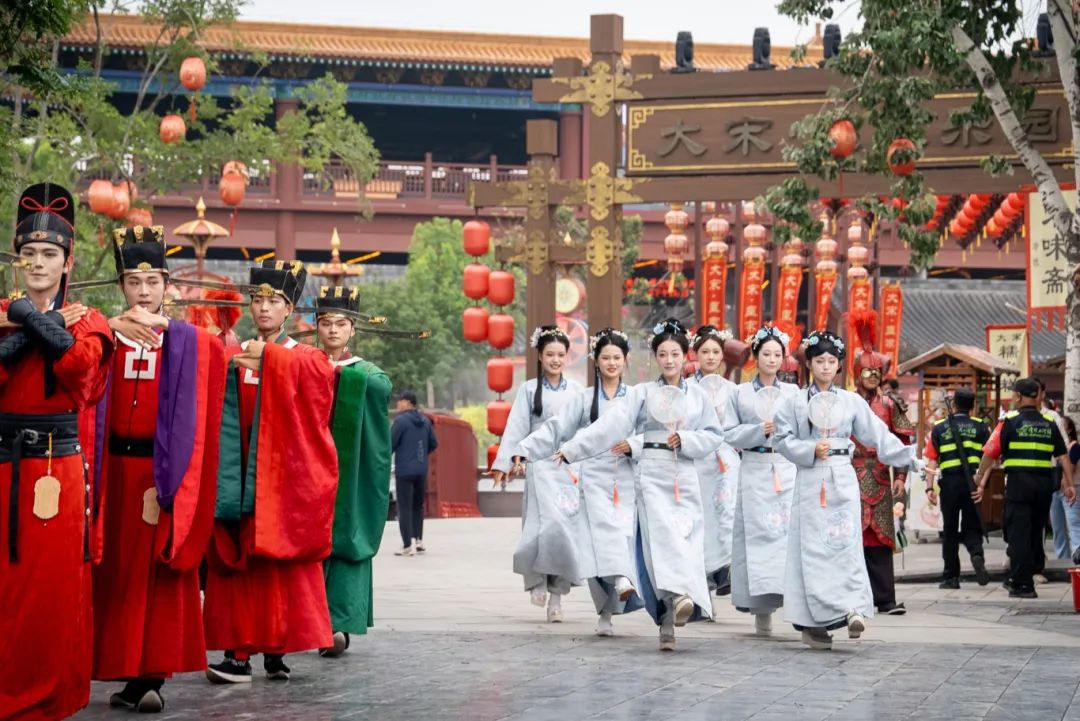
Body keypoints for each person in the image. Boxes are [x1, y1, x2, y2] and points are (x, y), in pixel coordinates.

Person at [90, 227, 227, 713]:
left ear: (168, 285)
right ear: (121, 286)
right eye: (133, 282)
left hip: (161, 473)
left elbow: (217, 359)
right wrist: (109, 327)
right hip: (112, 472)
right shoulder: (106, 334)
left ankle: (150, 675)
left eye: (152, 282)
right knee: (116, 571)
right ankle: (125, 668)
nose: (144, 292)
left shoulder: (184, 340)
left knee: (156, 573)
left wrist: (174, 330)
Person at [0, 182, 113, 720]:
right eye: (30, 254)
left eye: (49, 254)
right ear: (18, 262)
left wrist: (28, 319)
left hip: (55, 468)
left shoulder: (90, 319)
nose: (39, 263)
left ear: (68, 263)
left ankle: (48, 697)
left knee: (50, 588)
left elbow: (78, 369)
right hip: (4, 464)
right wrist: (33, 321)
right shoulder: (5, 311)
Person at [203, 260, 339, 683]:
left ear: (289, 309)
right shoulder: (234, 352)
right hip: (240, 476)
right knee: (242, 566)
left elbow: (322, 385)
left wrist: (272, 358)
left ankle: (275, 649)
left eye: (274, 301)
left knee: (278, 567)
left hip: (280, 481)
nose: (264, 308)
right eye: (257, 300)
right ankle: (239, 653)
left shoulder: (306, 356)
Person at [556, 318, 723, 652]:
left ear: (685, 356)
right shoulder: (643, 393)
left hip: (685, 476)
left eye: (675, 354)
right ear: (654, 357)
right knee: (659, 546)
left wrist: (687, 439)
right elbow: (611, 425)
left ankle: (682, 598)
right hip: (652, 477)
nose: (670, 360)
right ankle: (669, 615)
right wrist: (573, 448)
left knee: (685, 541)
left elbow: (713, 434)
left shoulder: (698, 396)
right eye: (663, 354)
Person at [773, 330, 920, 650]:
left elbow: (879, 436)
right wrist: (809, 450)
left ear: (839, 365)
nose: (826, 367)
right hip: (811, 480)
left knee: (847, 543)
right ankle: (815, 620)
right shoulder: (794, 401)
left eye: (831, 361)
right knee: (813, 549)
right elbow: (781, 439)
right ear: (809, 364)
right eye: (819, 361)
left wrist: (910, 459)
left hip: (843, 476)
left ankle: (851, 607)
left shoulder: (851, 402)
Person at [515, 328, 640, 637]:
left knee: (622, 534)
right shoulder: (585, 399)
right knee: (599, 543)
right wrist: (525, 448)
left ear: (626, 360)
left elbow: (649, 432)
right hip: (593, 477)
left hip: (625, 475)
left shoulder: (637, 397)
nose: (612, 363)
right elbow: (556, 427)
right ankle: (608, 607)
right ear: (596, 361)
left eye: (617, 358)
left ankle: (621, 583)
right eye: (605, 358)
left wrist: (634, 445)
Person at [316, 286, 392, 657]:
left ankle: (340, 623)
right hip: (312, 467)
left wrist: (339, 376)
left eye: (341, 323)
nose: (333, 330)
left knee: (346, 536)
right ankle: (308, 620)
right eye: (326, 323)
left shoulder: (365, 371)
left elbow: (382, 387)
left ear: (353, 329)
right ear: (316, 327)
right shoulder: (304, 362)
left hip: (350, 471)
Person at [492, 325, 585, 622]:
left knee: (564, 532)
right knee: (538, 529)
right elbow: (517, 427)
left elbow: (585, 430)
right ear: (540, 357)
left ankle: (557, 598)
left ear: (567, 356)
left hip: (567, 467)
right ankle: (537, 582)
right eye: (550, 354)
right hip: (539, 466)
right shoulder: (529, 390)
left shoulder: (577, 391)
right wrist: (506, 462)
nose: (556, 360)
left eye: (560, 354)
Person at [722, 324, 798, 636]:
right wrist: (758, 431)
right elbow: (728, 433)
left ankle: (794, 601)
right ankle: (761, 609)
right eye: (766, 353)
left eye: (777, 354)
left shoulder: (793, 393)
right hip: (754, 467)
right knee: (758, 539)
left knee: (787, 536)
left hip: (785, 466)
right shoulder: (739, 393)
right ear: (756, 355)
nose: (772, 359)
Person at [972, 378, 1076, 598]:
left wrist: (979, 476)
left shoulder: (1009, 422)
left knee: (1018, 534)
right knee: (1034, 533)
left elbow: (990, 452)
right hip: (1044, 487)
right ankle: (1020, 577)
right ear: (1037, 395)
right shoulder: (1049, 423)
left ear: (1018, 396)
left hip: (1019, 486)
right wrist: (1069, 484)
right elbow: (1063, 457)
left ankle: (1022, 585)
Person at [849, 311, 914, 615]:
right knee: (849, 537)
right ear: (856, 372)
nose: (872, 375)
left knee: (880, 539)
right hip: (848, 477)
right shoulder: (845, 401)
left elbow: (902, 443)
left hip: (880, 479)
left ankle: (885, 599)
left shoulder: (890, 404)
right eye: (867, 371)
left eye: (876, 371)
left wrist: (901, 476)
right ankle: (852, 597)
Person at [687, 325, 741, 597]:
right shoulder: (686, 388)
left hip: (725, 459)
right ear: (695, 354)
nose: (710, 357)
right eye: (705, 351)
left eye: (715, 352)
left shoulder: (733, 390)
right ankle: (703, 578)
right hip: (698, 459)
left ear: (723, 355)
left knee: (726, 512)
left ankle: (725, 571)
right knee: (701, 517)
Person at [922, 388, 991, 589]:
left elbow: (932, 461)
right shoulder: (981, 426)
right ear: (972, 406)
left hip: (950, 484)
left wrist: (929, 488)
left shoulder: (940, 427)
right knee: (972, 525)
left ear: (953, 404)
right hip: (972, 482)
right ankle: (976, 554)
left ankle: (951, 577)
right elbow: (990, 458)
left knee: (950, 529)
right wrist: (981, 485)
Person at [390, 389, 436, 556]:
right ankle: (419, 541)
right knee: (418, 506)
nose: (397, 403)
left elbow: (390, 443)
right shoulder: (425, 421)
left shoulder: (400, 421)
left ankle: (407, 545)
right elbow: (433, 443)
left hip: (404, 470)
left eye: (400, 400)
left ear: (408, 403)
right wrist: (420, 456)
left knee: (404, 507)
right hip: (421, 469)